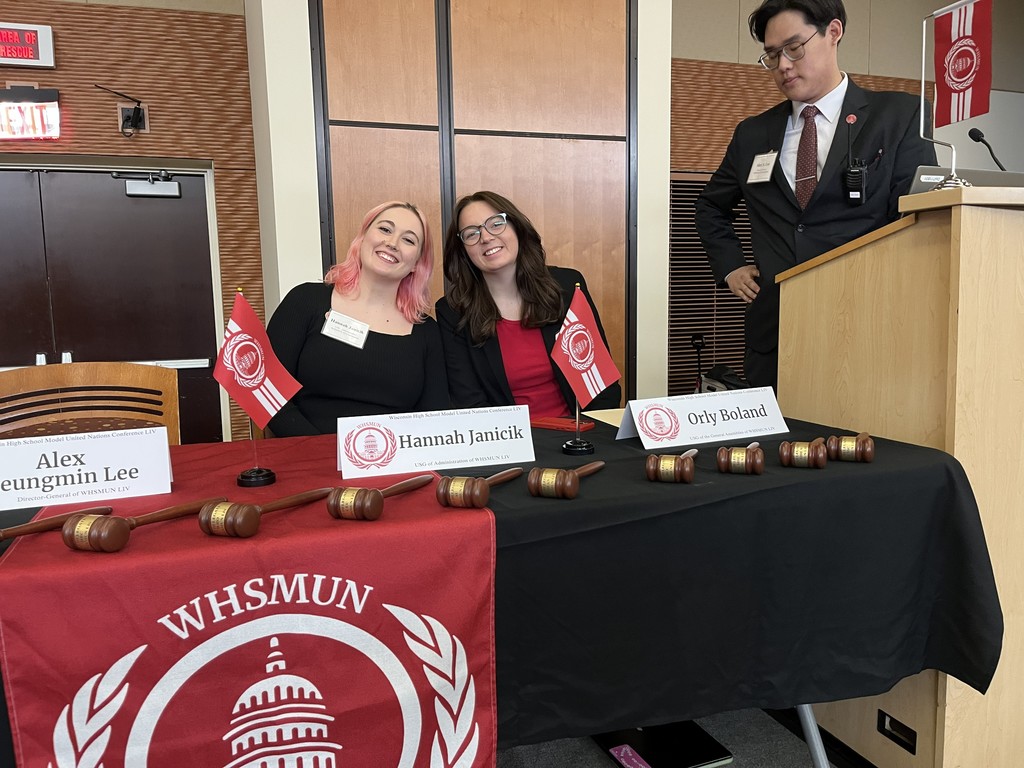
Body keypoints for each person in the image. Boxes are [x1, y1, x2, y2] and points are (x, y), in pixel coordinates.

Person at [695, 0, 936, 389]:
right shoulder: (752, 134)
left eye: (794, 47)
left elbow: (912, 219)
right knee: (772, 449)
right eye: (772, 56)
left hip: (865, 327)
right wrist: (730, 265)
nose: (784, 65)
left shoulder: (899, 116)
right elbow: (710, 207)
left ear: (833, 33)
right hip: (773, 332)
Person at [266, 201, 449, 436]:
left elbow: (434, 418)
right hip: (304, 456)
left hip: (395, 466)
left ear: (416, 264)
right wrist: (320, 451)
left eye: (408, 240)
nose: (392, 243)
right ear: (363, 238)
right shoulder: (305, 301)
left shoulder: (427, 332)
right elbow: (266, 389)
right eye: (385, 229)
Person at [436, 190, 621, 417]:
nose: (485, 238)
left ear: (516, 227)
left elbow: (601, 383)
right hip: (509, 442)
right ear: (463, 250)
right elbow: (470, 404)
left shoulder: (566, 286)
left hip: (580, 436)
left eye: (496, 224)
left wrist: (591, 440)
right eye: (471, 233)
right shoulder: (453, 311)